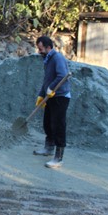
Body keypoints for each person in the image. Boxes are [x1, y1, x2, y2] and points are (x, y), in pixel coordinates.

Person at [33, 36, 71, 168]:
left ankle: (58, 158)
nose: (39, 51)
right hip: (51, 96)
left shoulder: (57, 58)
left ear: (48, 47)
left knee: (58, 126)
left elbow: (62, 75)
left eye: (41, 48)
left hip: (60, 96)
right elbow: (47, 79)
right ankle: (48, 148)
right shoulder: (47, 59)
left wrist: (51, 88)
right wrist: (41, 94)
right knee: (48, 124)